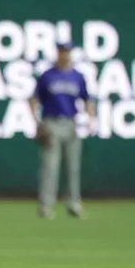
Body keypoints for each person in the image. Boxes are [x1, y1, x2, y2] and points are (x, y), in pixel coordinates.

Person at [30, 41, 97, 219]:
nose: (64, 54)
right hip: (51, 124)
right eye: (62, 51)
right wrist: (37, 122)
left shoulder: (78, 76)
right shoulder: (48, 76)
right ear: (57, 53)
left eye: (67, 51)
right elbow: (35, 99)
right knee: (50, 167)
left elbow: (88, 99)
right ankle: (46, 206)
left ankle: (74, 204)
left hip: (72, 123)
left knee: (73, 167)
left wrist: (91, 119)